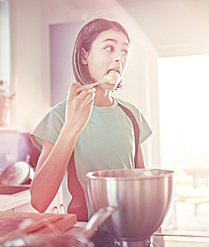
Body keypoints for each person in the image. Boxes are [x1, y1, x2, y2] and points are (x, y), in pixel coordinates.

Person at [29, 18, 153, 221]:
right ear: (84, 56)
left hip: (128, 232)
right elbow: (39, 201)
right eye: (109, 48)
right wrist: (71, 127)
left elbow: (141, 185)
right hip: (84, 235)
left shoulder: (132, 115)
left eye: (124, 51)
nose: (119, 58)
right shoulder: (59, 116)